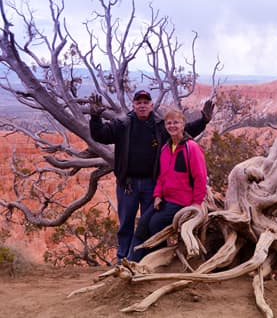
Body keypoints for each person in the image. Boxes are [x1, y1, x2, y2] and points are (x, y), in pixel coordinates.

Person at [88, 90, 213, 264]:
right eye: (139, 102)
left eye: (146, 102)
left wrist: (203, 122)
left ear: (151, 105)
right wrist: (95, 118)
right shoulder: (122, 124)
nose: (142, 105)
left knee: (151, 225)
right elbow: (100, 135)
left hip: (151, 185)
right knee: (126, 224)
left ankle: (151, 261)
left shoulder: (159, 124)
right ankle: (123, 259)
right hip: (128, 185)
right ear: (133, 105)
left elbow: (181, 128)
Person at [129, 108, 207, 262]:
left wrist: (197, 204)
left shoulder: (191, 148)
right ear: (165, 126)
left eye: (176, 122)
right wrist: (157, 195)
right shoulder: (165, 149)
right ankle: (132, 263)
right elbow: (161, 177)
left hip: (183, 201)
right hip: (165, 199)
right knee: (142, 225)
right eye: (169, 123)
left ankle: (153, 264)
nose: (172, 126)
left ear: (183, 125)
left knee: (155, 225)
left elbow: (200, 178)